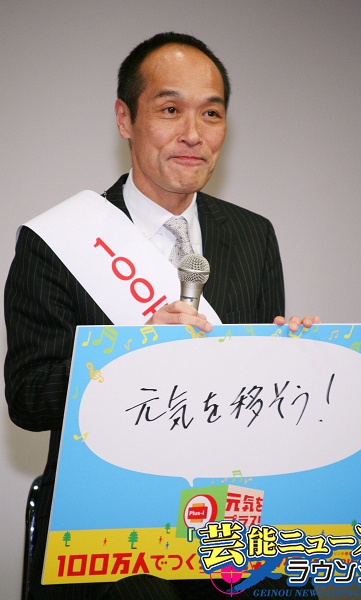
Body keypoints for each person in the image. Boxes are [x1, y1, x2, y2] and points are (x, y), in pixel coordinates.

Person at [4, 32, 320, 600]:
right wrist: (133, 353)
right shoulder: (59, 241)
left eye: (211, 113)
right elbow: (28, 398)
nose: (193, 134)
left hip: (228, 526)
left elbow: (256, 408)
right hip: (108, 532)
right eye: (171, 110)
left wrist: (290, 361)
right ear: (125, 118)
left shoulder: (253, 235)